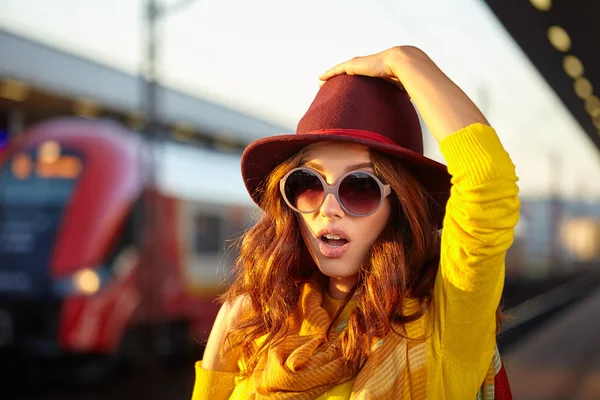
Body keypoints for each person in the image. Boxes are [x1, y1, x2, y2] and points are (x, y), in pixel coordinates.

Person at [192, 45, 519, 399]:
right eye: (307, 184)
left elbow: (486, 181)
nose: (329, 208)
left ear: (400, 206)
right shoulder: (265, 325)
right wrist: (222, 339)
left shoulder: (443, 325)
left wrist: (404, 60)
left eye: (359, 187)